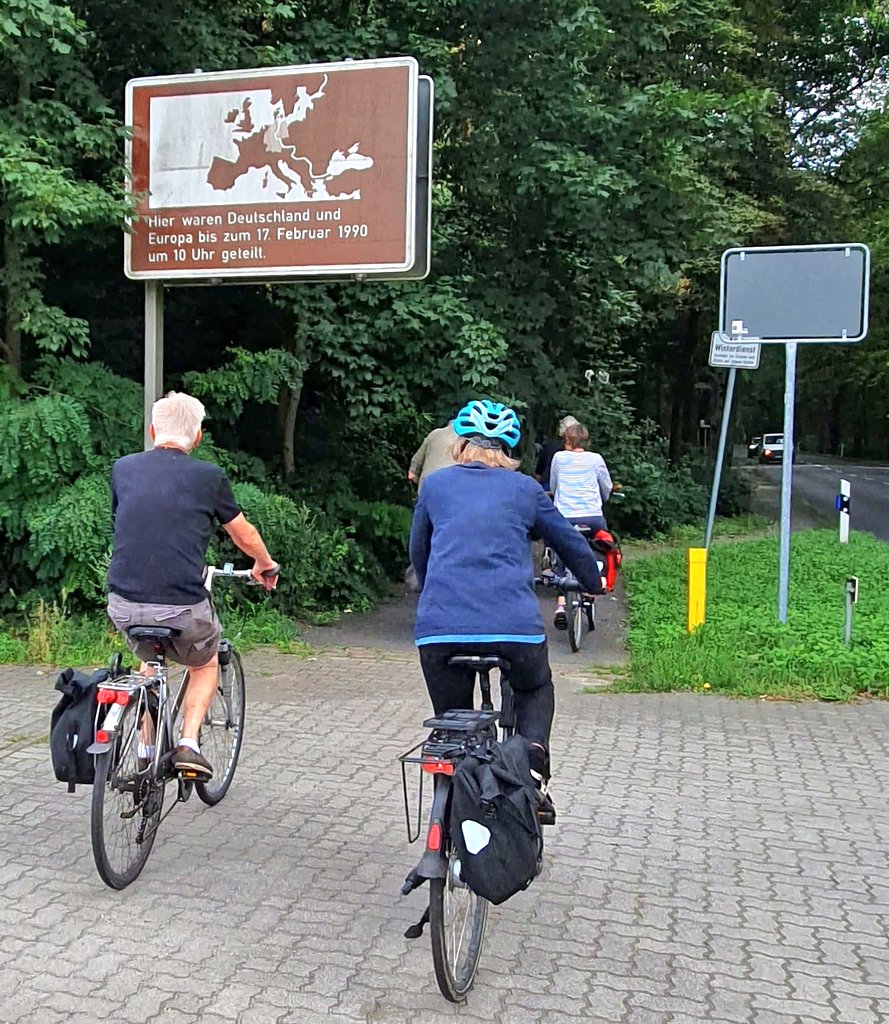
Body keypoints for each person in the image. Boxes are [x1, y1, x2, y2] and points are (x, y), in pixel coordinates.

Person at [409, 399, 606, 818]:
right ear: (510, 450)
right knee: (534, 688)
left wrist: (434, 591)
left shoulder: (436, 486)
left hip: (440, 628)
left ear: (460, 445)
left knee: (451, 718)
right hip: (513, 628)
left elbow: (418, 551)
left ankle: (448, 793)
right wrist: (592, 582)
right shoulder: (526, 490)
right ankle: (532, 775)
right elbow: (570, 542)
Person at [106, 392, 278, 781]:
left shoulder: (123, 469)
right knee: (205, 662)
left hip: (123, 603)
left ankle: (146, 752)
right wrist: (264, 565)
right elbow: (243, 533)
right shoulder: (209, 477)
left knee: (150, 663)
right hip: (182, 606)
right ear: (197, 437)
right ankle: (188, 744)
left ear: (153, 431)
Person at [549, 421, 613, 629]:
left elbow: (554, 485)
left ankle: (560, 606)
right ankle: (594, 582)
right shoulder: (596, 460)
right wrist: (602, 499)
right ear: (585, 439)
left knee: (560, 551)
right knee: (599, 545)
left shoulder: (558, 458)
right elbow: (607, 486)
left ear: (566, 440)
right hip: (592, 516)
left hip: (564, 517)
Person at [407, 419, 458, 491]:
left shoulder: (434, 434)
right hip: (452, 489)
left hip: (427, 487)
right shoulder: (471, 441)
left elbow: (411, 474)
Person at [535, 415, 580, 493]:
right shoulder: (577, 448)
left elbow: (540, 468)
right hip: (569, 486)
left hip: (547, 483)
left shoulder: (549, 444)